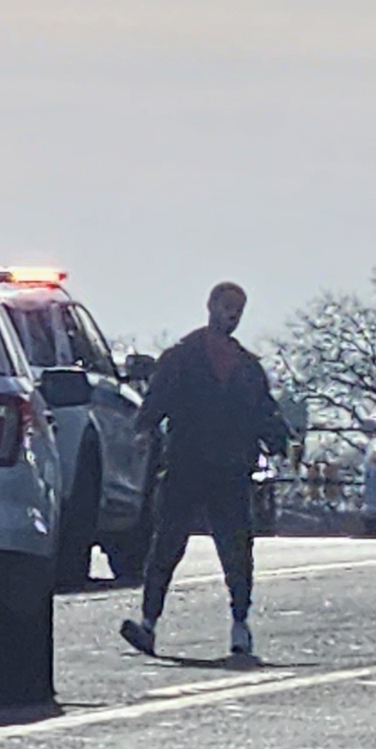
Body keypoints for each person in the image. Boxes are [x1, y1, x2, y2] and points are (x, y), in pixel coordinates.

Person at [124, 280, 291, 663]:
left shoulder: (248, 368)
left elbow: (265, 412)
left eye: (238, 309)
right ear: (211, 305)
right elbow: (156, 403)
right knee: (166, 544)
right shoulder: (181, 357)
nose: (231, 315)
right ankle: (148, 622)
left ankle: (240, 624)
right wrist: (142, 431)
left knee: (236, 549)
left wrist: (282, 442)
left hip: (232, 469)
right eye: (227, 306)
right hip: (185, 464)